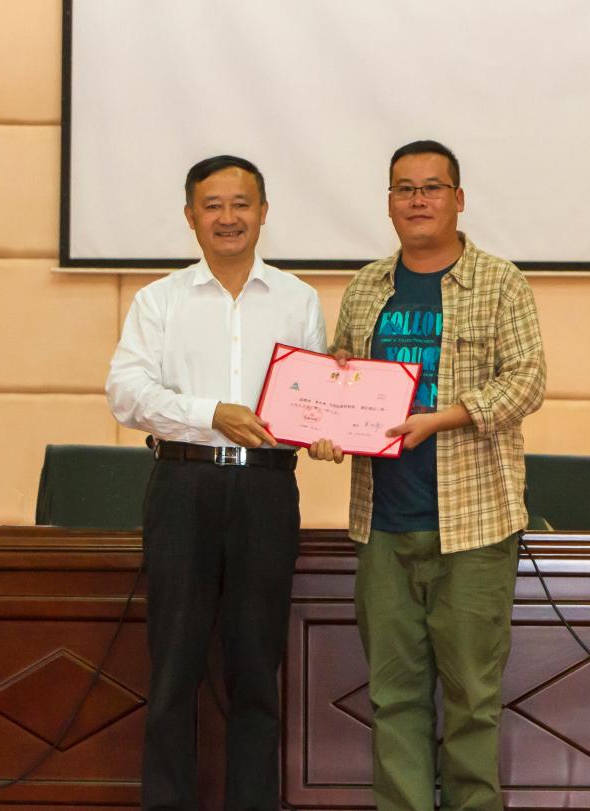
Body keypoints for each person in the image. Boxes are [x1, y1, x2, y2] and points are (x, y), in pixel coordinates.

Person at [310, 140, 546, 811]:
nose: (418, 200)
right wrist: (324, 426)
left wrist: (442, 419)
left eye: (432, 187)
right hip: (383, 525)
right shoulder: (366, 287)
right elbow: (339, 377)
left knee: (472, 699)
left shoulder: (500, 281)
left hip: (473, 527)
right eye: (404, 189)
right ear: (389, 202)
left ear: (458, 199)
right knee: (394, 698)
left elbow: (527, 381)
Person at [106, 155, 326, 811]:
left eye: (241, 203)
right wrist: (210, 414)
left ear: (263, 212)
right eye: (213, 205)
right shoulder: (159, 300)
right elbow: (126, 393)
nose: (228, 217)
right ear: (190, 216)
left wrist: (326, 428)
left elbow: (312, 398)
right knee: (174, 666)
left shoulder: (298, 299)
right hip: (183, 487)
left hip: (266, 492)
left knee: (257, 668)